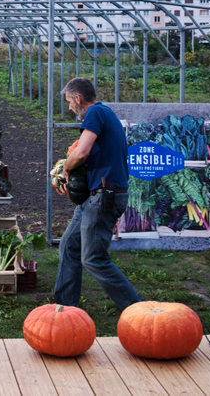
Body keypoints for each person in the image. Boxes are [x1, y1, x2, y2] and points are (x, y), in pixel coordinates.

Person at [53, 77, 143, 310]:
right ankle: (65, 308)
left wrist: (65, 168)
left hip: (104, 196)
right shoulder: (104, 114)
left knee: (93, 258)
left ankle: (138, 309)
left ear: (78, 98)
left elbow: (81, 153)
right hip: (96, 195)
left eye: (69, 103)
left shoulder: (95, 113)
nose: (70, 108)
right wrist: (71, 180)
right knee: (69, 245)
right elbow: (89, 157)